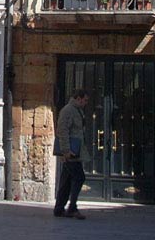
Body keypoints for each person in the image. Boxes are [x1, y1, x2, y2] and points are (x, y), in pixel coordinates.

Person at [53, 89, 89, 220]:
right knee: (79, 177)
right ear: (78, 98)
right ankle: (72, 208)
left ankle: (59, 208)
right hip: (71, 153)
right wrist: (66, 150)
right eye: (85, 100)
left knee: (66, 180)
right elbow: (62, 130)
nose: (86, 103)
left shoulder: (77, 110)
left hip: (75, 151)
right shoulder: (68, 110)